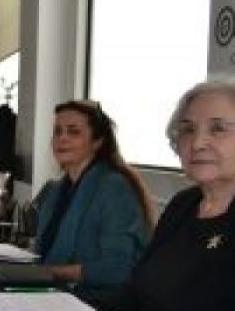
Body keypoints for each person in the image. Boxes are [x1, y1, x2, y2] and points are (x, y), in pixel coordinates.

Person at [99, 77, 235, 311]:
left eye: (218, 128)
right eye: (187, 130)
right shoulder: (183, 205)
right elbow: (136, 297)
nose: (198, 142)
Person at [34, 100, 154, 291]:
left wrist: (49, 272)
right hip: (55, 291)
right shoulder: (56, 190)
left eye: (73, 132)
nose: (62, 138)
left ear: (97, 142)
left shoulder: (114, 188)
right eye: (57, 131)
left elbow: (118, 269)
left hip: (96, 300)